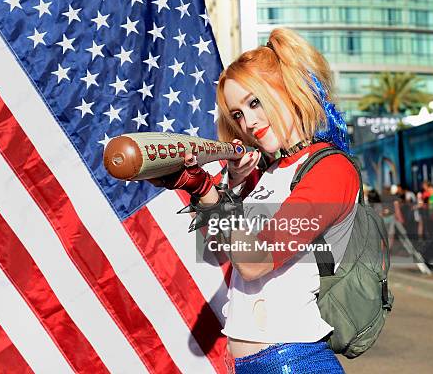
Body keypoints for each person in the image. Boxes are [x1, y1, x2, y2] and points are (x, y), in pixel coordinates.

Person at [151, 28, 356, 372]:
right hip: (253, 365)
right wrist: (222, 187)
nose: (248, 123)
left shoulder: (331, 169)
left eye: (254, 102)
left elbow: (255, 261)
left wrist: (207, 192)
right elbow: (218, 249)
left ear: (288, 90)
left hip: (294, 361)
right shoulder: (270, 172)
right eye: (238, 115)